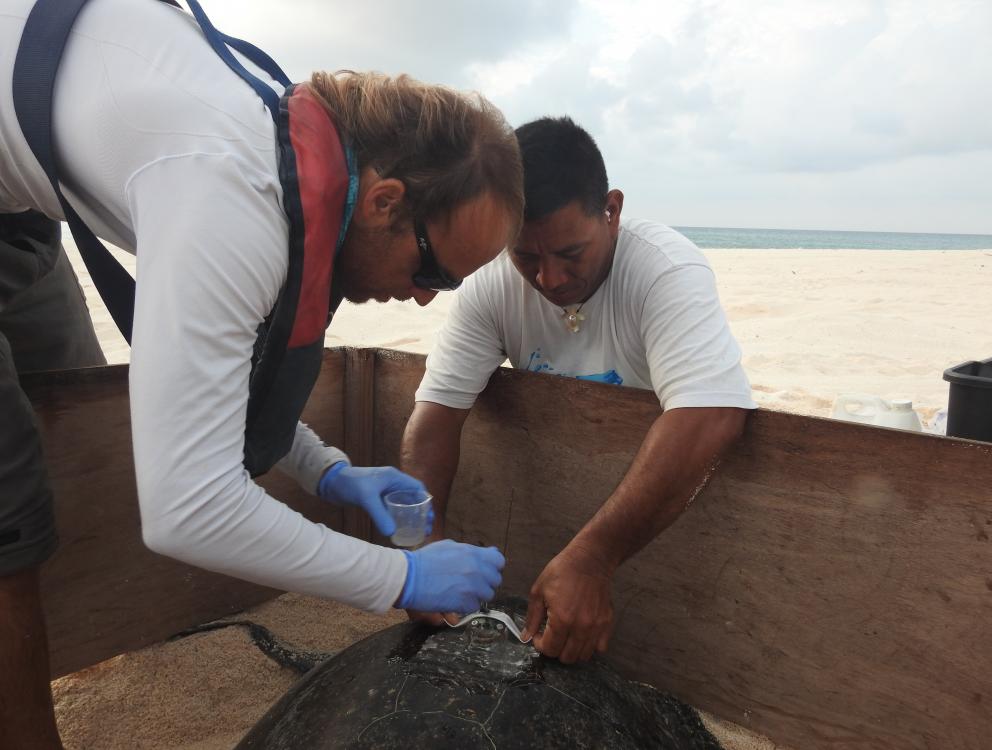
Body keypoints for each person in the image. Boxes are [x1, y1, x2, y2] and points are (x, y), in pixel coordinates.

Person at [0, 0, 522, 746]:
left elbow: (217, 398)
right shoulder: (233, 194)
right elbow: (188, 509)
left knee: (73, 415)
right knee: (10, 511)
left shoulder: (292, 159)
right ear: (383, 201)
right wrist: (401, 580)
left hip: (19, 197)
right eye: (430, 268)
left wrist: (331, 473)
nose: (421, 296)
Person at [400, 116, 755, 665]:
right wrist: (421, 548)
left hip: (658, 540)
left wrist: (593, 559)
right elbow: (435, 416)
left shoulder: (664, 269)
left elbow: (709, 415)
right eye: (526, 257)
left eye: (570, 254)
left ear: (611, 210)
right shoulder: (493, 283)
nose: (550, 280)